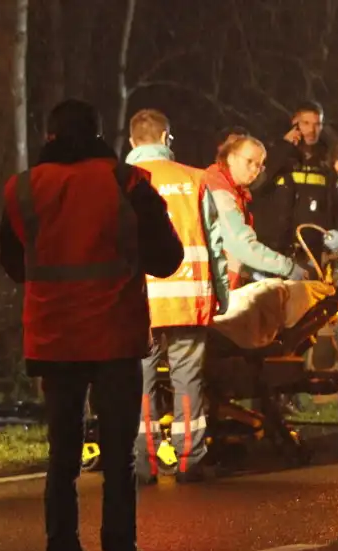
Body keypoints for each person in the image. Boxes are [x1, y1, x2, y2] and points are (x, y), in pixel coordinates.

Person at [0, 99, 183, 551]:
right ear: (100, 134)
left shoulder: (23, 188)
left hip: (54, 341)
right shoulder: (127, 184)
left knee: (62, 459)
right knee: (119, 462)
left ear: (51, 136)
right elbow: (167, 259)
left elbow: (12, 262)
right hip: (114, 338)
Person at [125, 109, 228, 484]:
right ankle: (189, 461)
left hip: (139, 303)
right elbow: (216, 244)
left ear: (132, 141)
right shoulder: (195, 179)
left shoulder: (121, 181)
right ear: (167, 138)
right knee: (188, 380)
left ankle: (144, 463)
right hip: (188, 298)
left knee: (139, 382)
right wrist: (222, 294)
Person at [205, 134, 307, 290]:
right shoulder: (220, 193)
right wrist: (289, 268)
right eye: (249, 162)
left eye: (259, 165)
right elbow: (242, 246)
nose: (255, 170)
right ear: (231, 158)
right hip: (208, 286)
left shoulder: (231, 189)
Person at [251, 101, 338, 263]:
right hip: (276, 251)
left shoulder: (326, 162)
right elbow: (258, 185)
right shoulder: (276, 155)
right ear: (294, 124)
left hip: (313, 253)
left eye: (317, 124)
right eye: (306, 123)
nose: (312, 130)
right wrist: (284, 147)